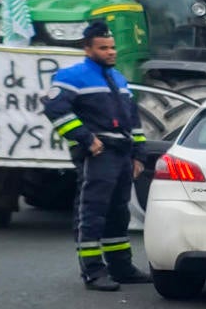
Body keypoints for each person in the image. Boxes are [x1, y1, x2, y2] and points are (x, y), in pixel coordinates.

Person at [42, 21, 152, 290]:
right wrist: (86, 139)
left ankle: (121, 266)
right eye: (103, 48)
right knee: (92, 213)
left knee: (118, 213)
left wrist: (138, 154)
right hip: (98, 155)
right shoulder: (72, 76)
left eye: (112, 47)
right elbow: (55, 109)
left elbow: (133, 122)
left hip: (122, 155)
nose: (111, 52)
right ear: (88, 49)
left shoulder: (119, 79)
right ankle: (93, 271)